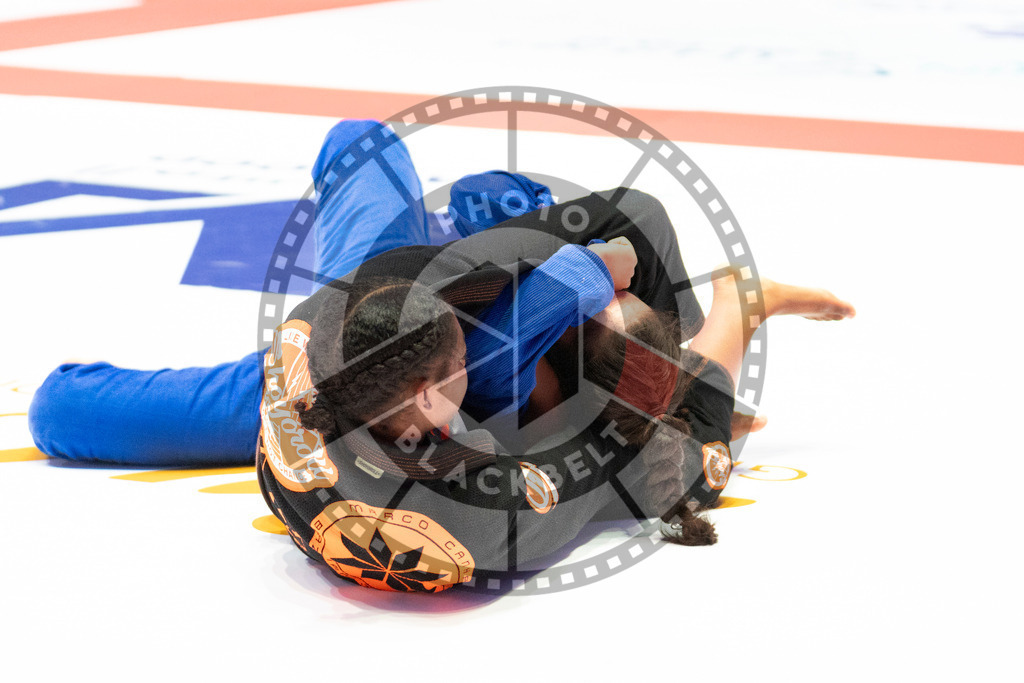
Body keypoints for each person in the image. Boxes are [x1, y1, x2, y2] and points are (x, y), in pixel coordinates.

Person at [28, 120, 855, 592]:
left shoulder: (526, 374)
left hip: (376, 322)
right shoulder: (561, 389)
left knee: (66, 410)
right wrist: (713, 348)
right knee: (378, 158)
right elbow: (687, 387)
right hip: (395, 305)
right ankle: (477, 235)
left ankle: (478, 233)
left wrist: (701, 324)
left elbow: (617, 297)